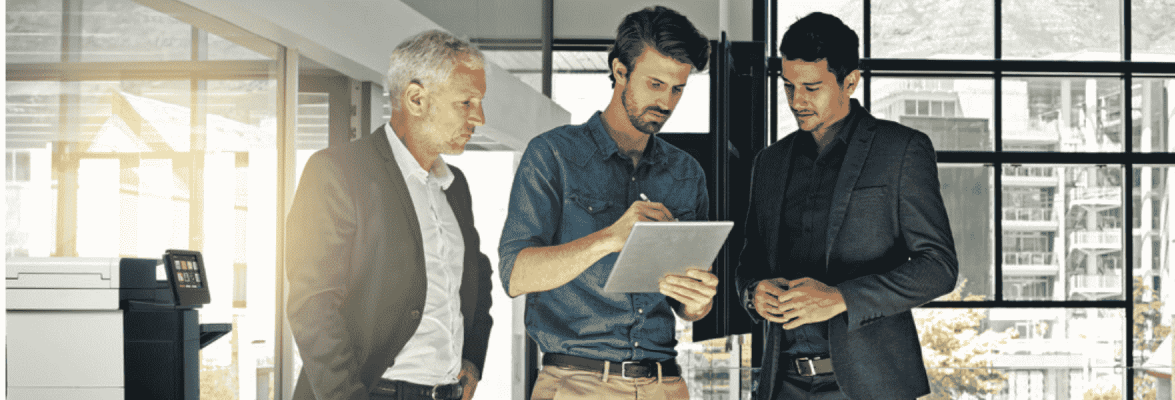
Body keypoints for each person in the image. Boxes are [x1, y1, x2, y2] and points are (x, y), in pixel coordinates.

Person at [733, 12, 959, 400]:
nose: (796, 101)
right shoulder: (769, 163)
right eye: (787, 86)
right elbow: (750, 260)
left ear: (850, 82)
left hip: (869, 384)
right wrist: (753, 291)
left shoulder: (902, 150)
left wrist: (839, 298)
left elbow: (938, 268)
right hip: (780, 383)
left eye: (811, 87)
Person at [498, 6, 717, 400]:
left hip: (665, 384)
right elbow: (516, 274)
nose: (666, 102)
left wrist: (696, 304)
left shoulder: (686, 174)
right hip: (576, 383)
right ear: (619, 71)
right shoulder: (552, 155)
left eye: (678, 88)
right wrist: (610, 238)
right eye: (654, 84)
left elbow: (683, 303)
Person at [286, 30, 493, 400]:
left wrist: (473, 359)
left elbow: (478, 275)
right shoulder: (337, 171)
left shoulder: (454, 185)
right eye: (466, 102)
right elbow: (312, 306)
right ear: (416, 98)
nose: (478, 117)